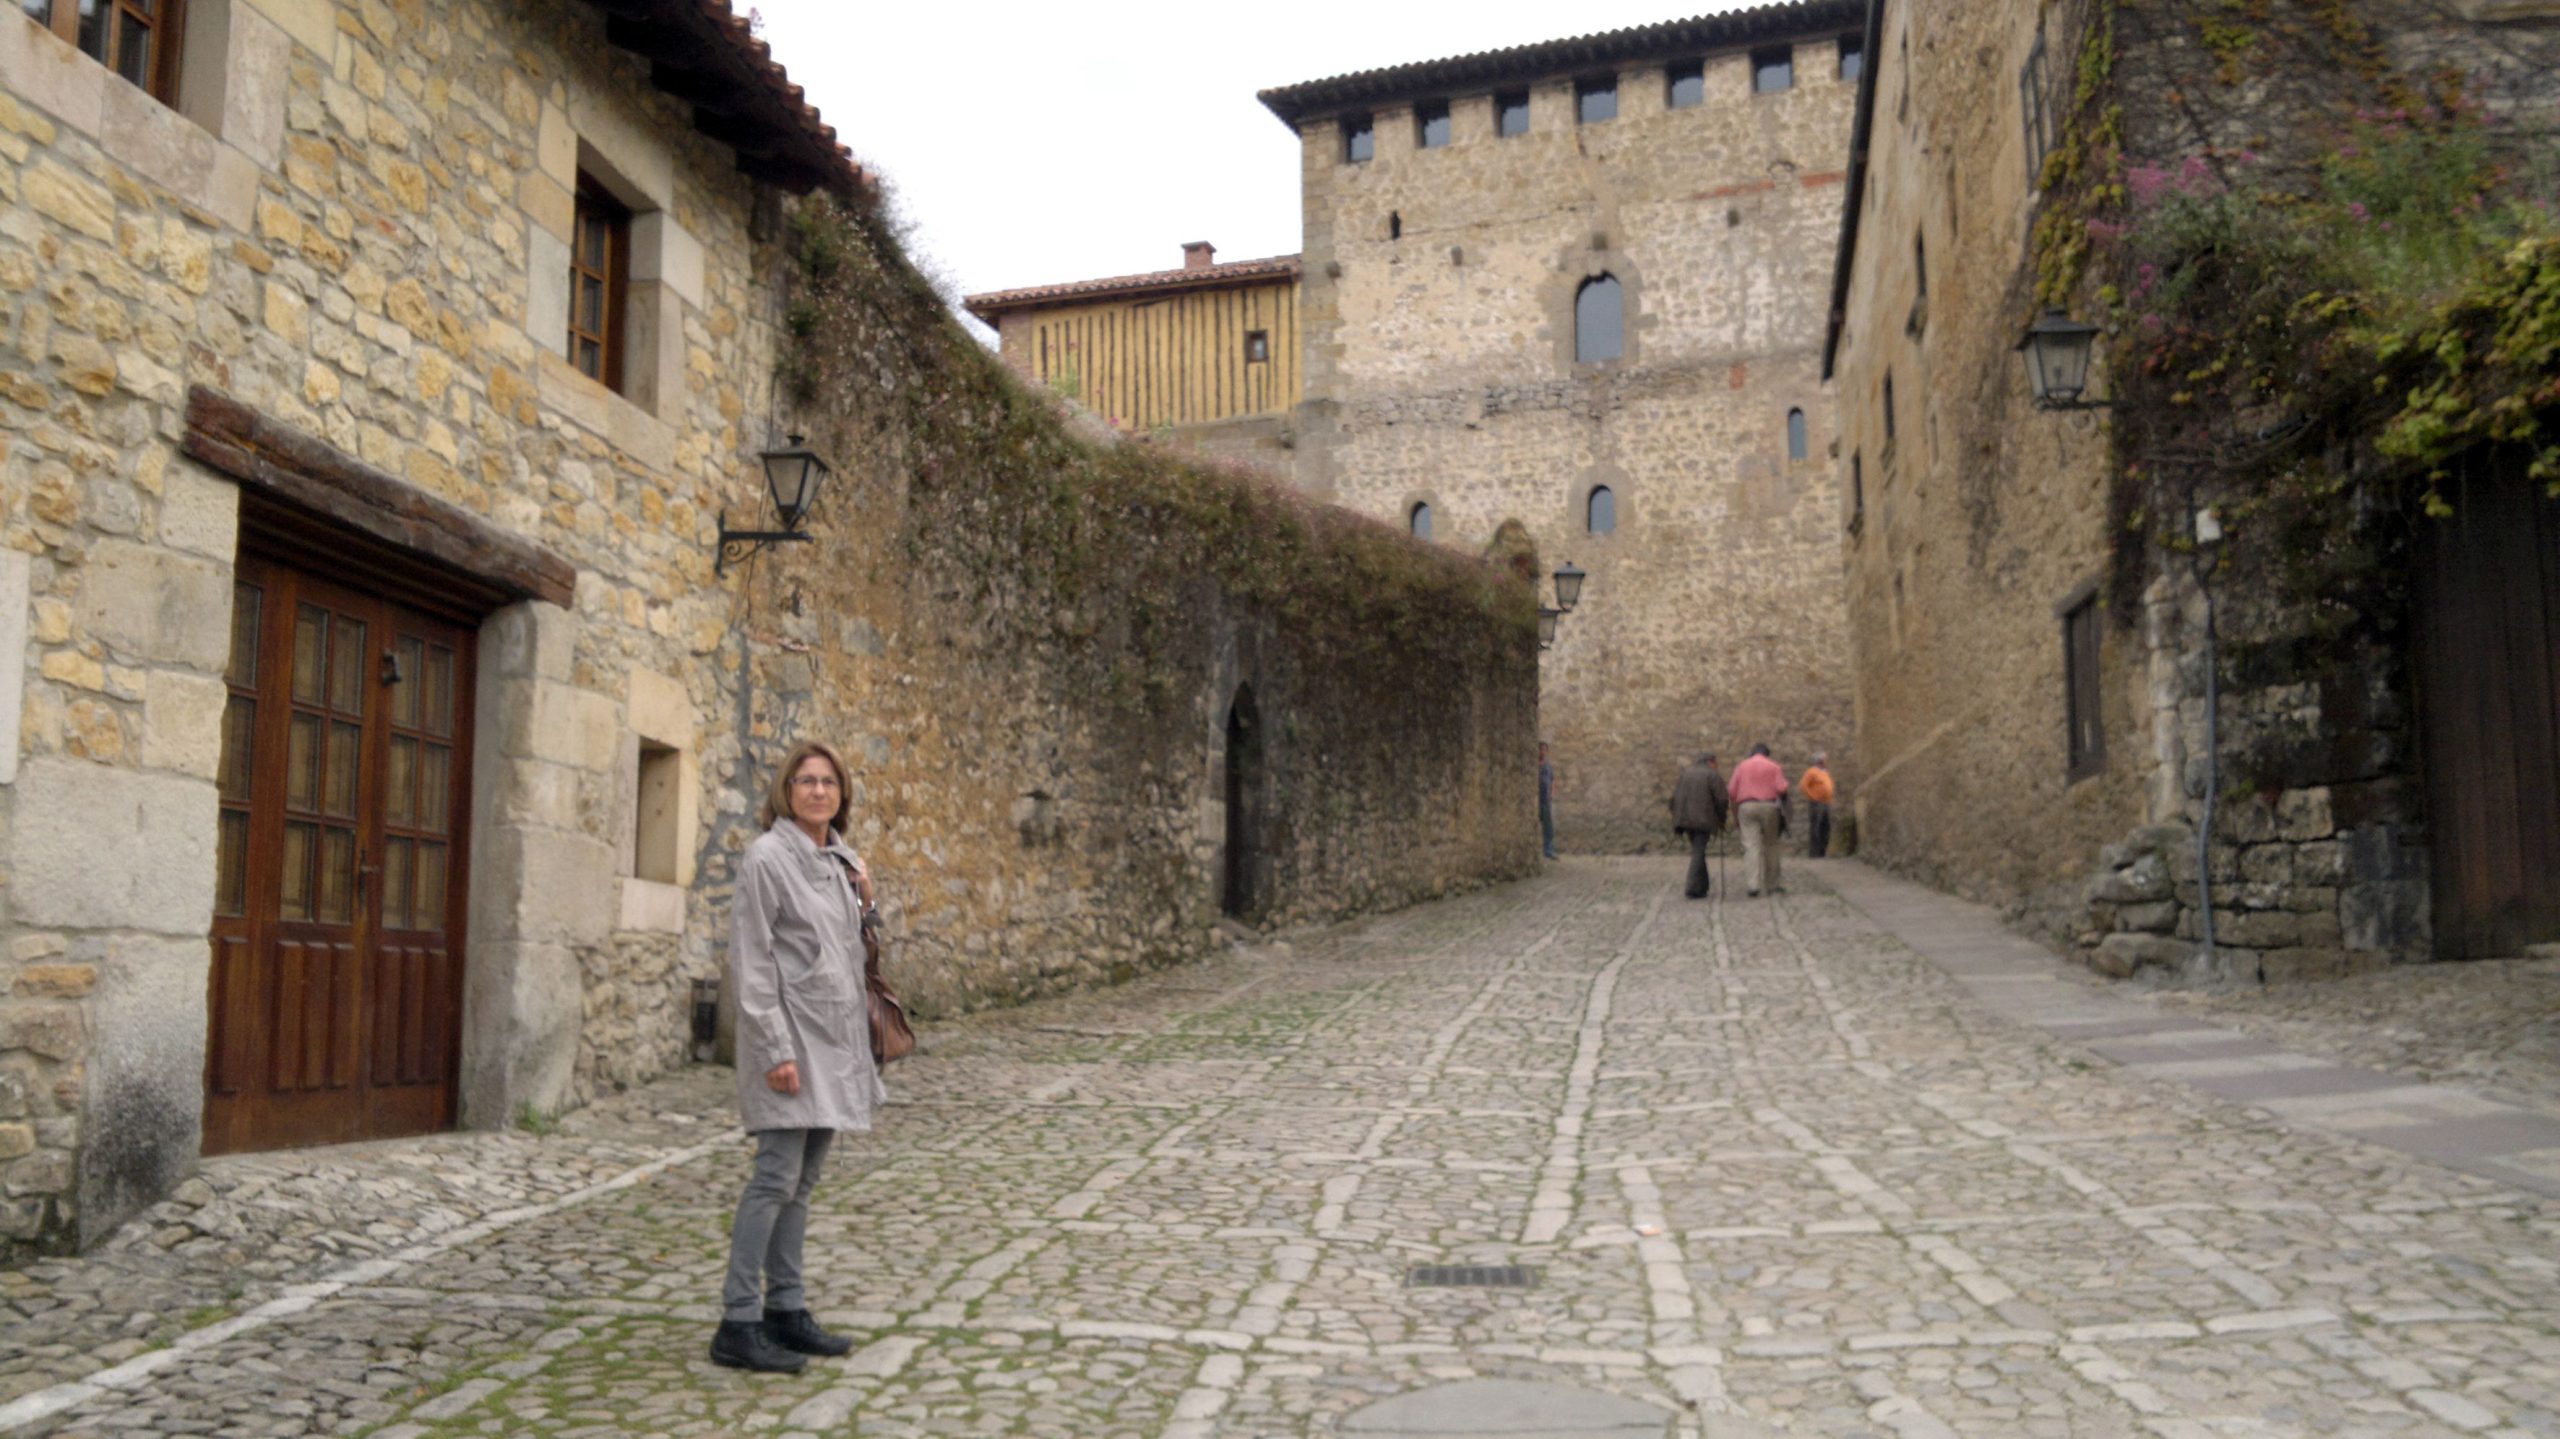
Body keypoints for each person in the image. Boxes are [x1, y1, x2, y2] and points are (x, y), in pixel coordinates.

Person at [712, 740, 884, 1374]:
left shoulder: (839, 860)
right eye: (806, 781)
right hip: (789, 1042)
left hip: (833, 1042)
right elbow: (753, 959)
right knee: (774, 1179)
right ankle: (738, 1321)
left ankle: (785, 1308)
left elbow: (853, 953)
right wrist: (774, 1049)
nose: (818, 791)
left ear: (842, 794)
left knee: (802, 1184)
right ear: (786, 791)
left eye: (828, 782)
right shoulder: (767, 858)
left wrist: (865, 898)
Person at [1728, 743, 1790, 897]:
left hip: (1746, 806)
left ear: (1752, 753)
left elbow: (1732, 791)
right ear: (1767, 754)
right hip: (1769, 806)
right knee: (1771, 845)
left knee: (1750, 845)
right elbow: (1782, 788)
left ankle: (1753, 885)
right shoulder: (1774, 766)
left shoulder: (1741, 766)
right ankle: (1772, 884)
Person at [1670, 751, 1730, 899]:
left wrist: (1677, 816)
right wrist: (1722, 818)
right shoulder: (1712, 775)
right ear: (1710, 762)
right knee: (1698, 850)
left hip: (1685, 819)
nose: (1717, 766)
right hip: (1703, 819)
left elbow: (1673, 798)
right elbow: (1722, 799)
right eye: (1716, 763)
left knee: (1698, 849)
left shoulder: (1685, 774)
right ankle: (1692, 887)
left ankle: (1702, 886)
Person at [1801, 752, 1835, 859]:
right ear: (1819, 761)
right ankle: (1814, 853)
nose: (1827, 761)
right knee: (1816, 826)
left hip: (1826, 803)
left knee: (1825, 827)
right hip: (1817, 803)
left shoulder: (1825, 772)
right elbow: (1803, 786)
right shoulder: (1811, 772)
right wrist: (1813, 796)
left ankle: (1822, 852)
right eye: (1825, 759)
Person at [1538, 741, 1558, 860]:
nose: (1542, 752)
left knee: (1548, 825)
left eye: (1544, 750)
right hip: (1536, 799)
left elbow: (1553, 779)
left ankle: (1548, 850)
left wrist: (1552, 792)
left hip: (1546, 799)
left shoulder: (1548, 766)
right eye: (1541, 749)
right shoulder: (1534, 765)